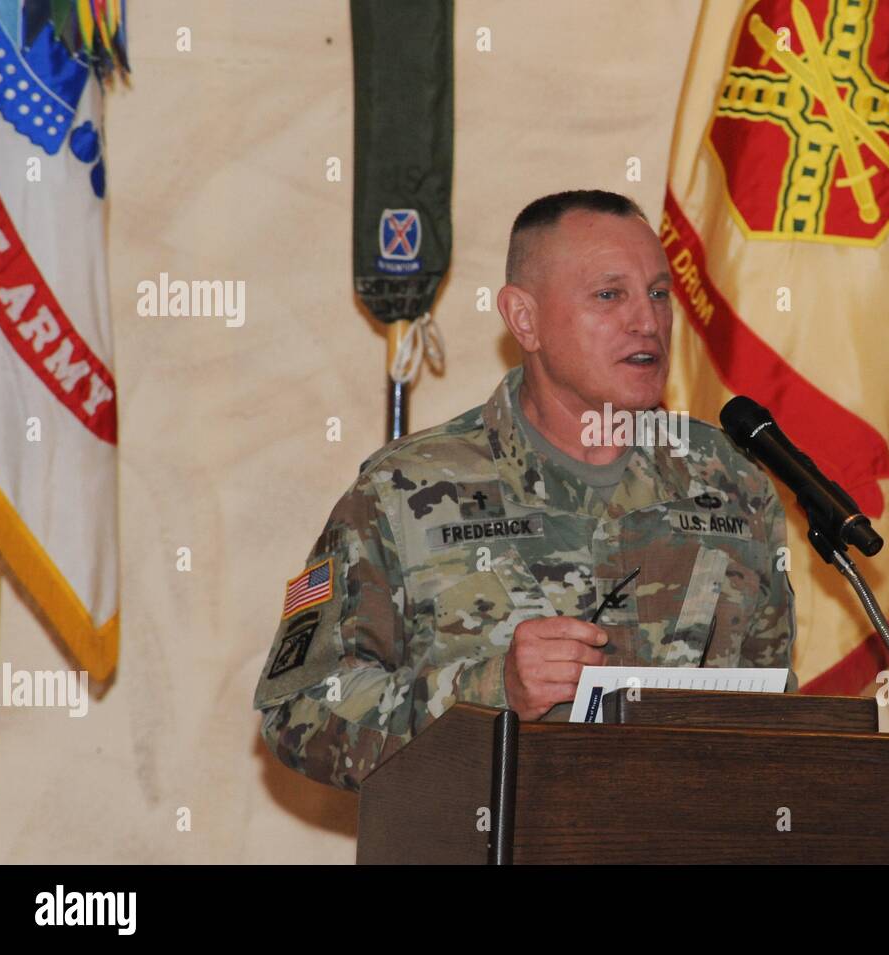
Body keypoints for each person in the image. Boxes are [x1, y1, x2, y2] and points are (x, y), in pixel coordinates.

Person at [252, 189, 796, 791]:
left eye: (659, 294)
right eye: (609, 295)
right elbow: (299, 713)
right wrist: (491, 690)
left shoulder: (732, 483)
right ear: (524, 319)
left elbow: (775, 713)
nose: (648, 321)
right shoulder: (401, 490)